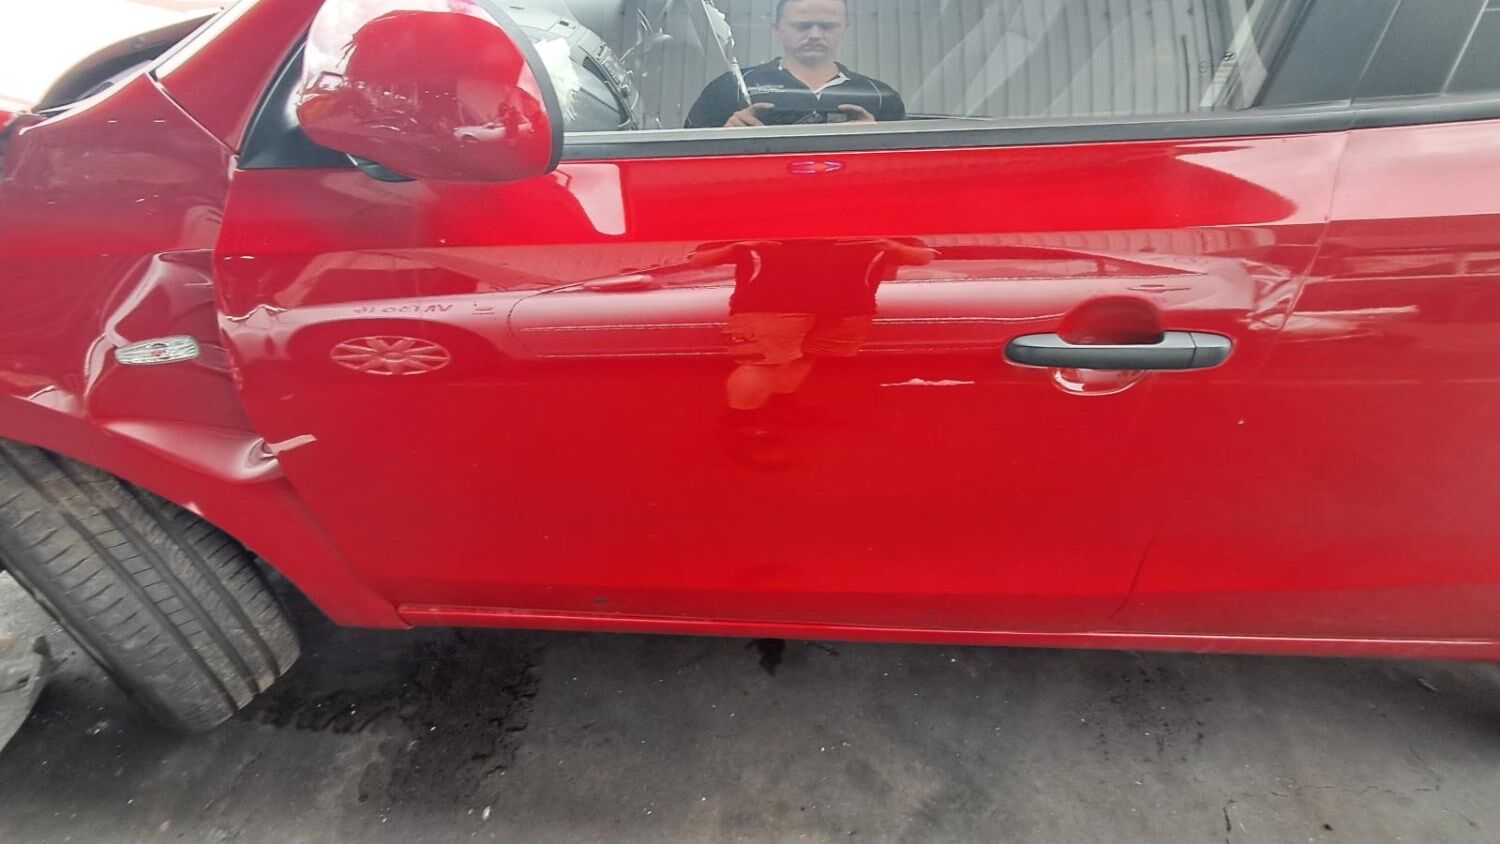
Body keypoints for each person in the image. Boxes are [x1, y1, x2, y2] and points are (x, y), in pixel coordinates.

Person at [685, 0, 905, 129]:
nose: (815, 34)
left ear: (845, 28)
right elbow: (687, 161)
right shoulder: (730, 88)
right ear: (777, 29)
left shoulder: (880, 97)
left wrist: (878, 141)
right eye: (802, 26)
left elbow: (905, 170)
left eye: (828, 26)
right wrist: (725, 137)